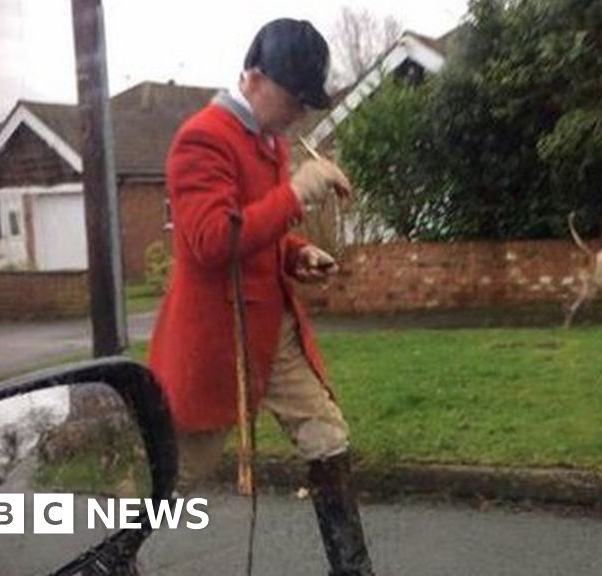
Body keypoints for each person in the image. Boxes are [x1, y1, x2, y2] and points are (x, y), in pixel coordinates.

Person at [148, 18, 374, 576]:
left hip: (275, 334)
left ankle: (353, 569)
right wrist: (297, 192)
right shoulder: (203, 137)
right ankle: (108, 557)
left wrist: (296, 254)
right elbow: (210, 241)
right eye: (293, 97)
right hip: (218, 343)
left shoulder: (269, 142)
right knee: (175, 480)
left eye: (306, 101)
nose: (300, 111)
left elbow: (257, 229)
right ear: (252, 76)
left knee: (327, 435)